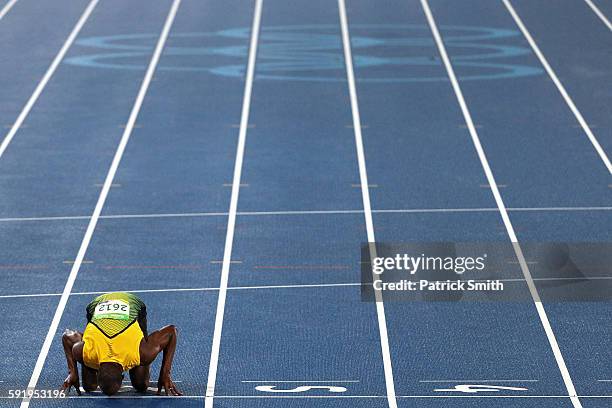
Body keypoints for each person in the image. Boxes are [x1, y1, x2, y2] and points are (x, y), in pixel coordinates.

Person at [60, 292, 182, 396]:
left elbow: (171, 331)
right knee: (89, 387)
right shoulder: (82, 352)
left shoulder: (141, 353)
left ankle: (137, 340)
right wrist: (72, 373)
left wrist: (165, 374)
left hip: (132, 304)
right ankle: (90, 342)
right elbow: (67, 337)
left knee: (141, 385)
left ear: (123, 377)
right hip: (96, 306)